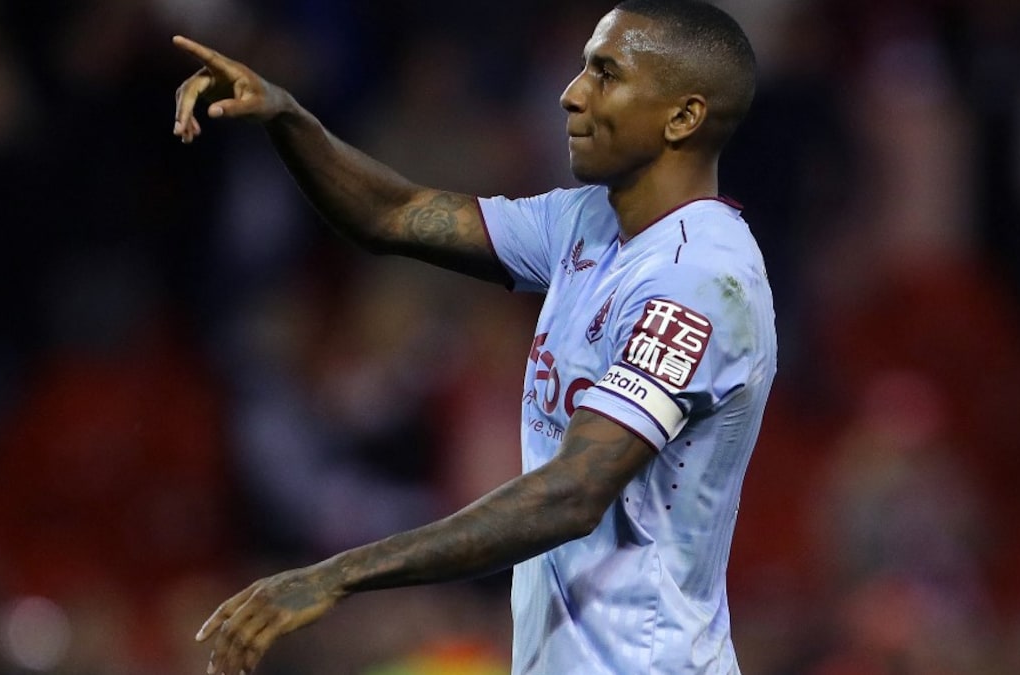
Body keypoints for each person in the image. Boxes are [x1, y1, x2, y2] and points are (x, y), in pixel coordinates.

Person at [172, 0, 775, 672]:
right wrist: (285, 115)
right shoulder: (585, 224)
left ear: (683, 116)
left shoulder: (699, 280)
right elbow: (392, 214)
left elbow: (573, 492)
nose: (571, 94)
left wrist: (339, 574)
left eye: (606, 75)